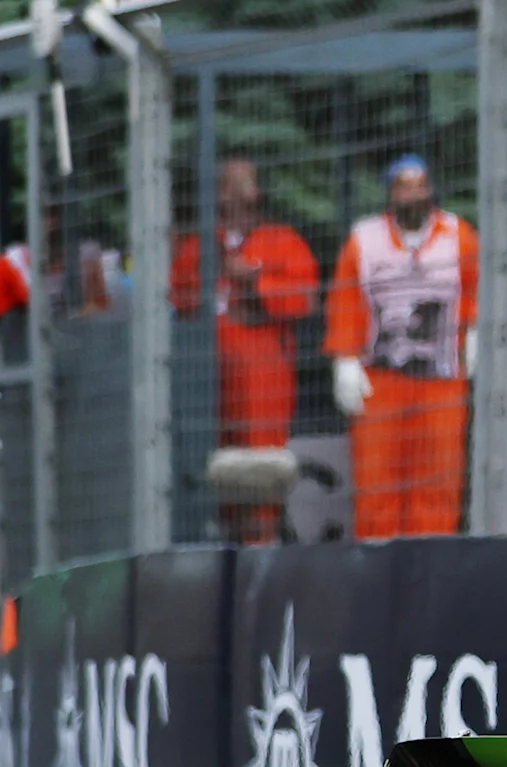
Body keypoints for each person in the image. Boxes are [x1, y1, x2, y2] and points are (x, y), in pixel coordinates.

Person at [324, 154, 478, 539]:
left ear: (431, 189)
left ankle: (433, 558)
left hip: (441, 379)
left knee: (439, 478)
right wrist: (344, 359)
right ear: (390, 193)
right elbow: (344, 301)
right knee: (376, 481)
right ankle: (377, 564)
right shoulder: (364, 239)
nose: (413, 193)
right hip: (381, 381)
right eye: (403, 186)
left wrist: (475, 334)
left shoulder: (459, 234)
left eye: (420, 185)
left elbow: (475, 289)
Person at [170, 158, 322, 452]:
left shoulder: (281, 240)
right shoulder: (197, 245)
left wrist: (255, 284)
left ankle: (264, 500)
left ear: (258, 191)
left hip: (261, 365)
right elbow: (175, 299)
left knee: (259, 452)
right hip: (206, 365)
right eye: (228, 183)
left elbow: (306, 299)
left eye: (244, 182)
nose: (236, 192)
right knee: (205, 449)